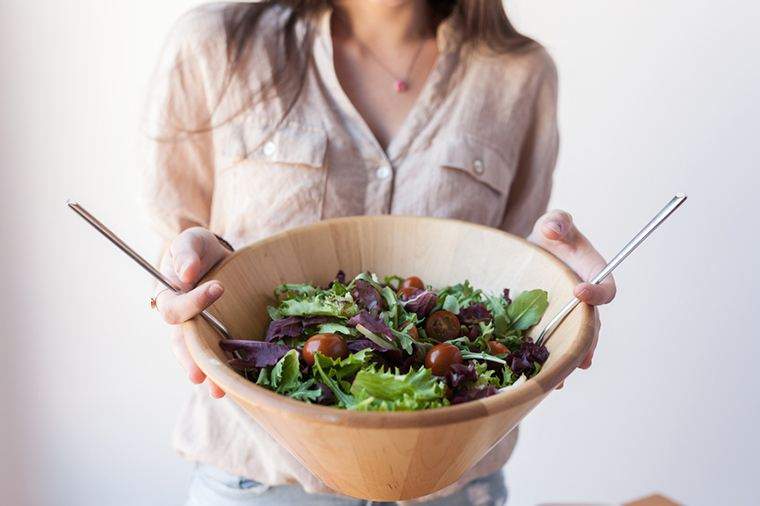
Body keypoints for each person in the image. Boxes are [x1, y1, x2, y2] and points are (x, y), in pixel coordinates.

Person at [142, 1, 616, 504]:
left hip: (453, 486)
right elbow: (175, 243)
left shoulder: (521, 75)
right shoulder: (216, 45)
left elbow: (509, 270)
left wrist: (556, 287)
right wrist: (183, 276)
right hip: (261, 480)